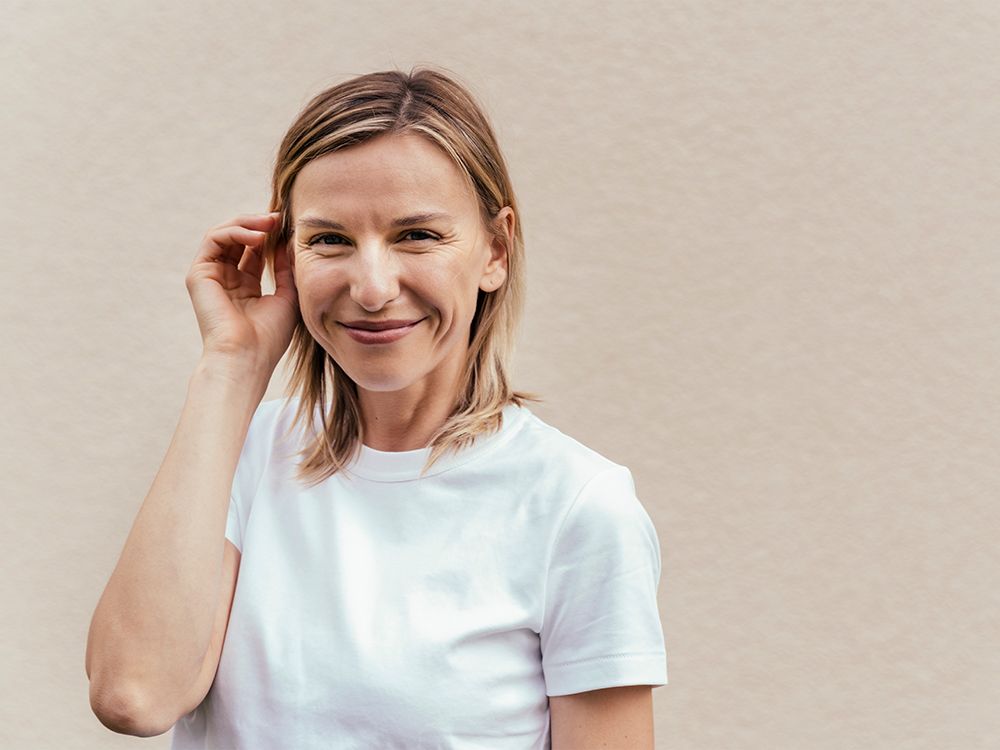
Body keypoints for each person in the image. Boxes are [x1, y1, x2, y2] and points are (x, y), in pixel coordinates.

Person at [85, 67, 668, 749]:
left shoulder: (577, 505)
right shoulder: (242, 452)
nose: (371, 286)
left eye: (416, 235)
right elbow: (134, 695)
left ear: (496, 251)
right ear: (288, 257)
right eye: (329, 239)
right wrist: (230, 368)